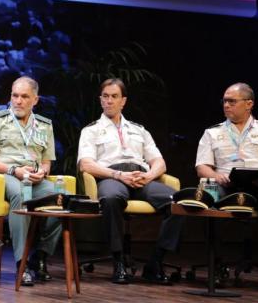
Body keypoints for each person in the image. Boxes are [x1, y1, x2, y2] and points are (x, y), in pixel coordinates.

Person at [77, 78, 182, 285]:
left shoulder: (139, 129)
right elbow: (86, 165)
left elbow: (159, 161)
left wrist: (149, 176)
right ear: (100, 100)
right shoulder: (91, 130)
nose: (109, 101)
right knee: (111, 198)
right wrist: (117, 175)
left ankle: (155, 263)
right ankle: (118, 262)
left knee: (178, 203)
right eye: (105, 96)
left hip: (141, 177)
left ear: (123, 101)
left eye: (114, 97)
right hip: (112, 177)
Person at [195, 83, 258, 292]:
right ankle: (217, 265)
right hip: (225, 182)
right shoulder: (212, 132)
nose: (226, 105)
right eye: (224, 101)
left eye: (232, 101)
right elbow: (202, 167)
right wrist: (215, 175)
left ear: (249, 104)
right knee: (206, 196)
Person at [0, 76, 62, 286]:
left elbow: (46, 163)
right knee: (21, 194)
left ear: (35, 100)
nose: (18, 101)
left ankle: (40, 257)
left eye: (24, 97)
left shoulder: (44, 125)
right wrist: (14, 170)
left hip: (33, 177)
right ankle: (21, 264)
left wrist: (41, 173)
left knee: (63, 199)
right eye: (15, 96)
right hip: (4, 175)